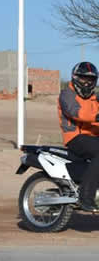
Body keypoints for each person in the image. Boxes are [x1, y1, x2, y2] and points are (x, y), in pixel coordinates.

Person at [58, 61, 99, 212]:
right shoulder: (67, 94)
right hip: (75, 137)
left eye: (91, 80)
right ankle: (85, 196)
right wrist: (97, 116)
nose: (87, 83)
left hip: (93, 137)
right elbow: (75, 112)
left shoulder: (94, 99)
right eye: (83, 78)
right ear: (75, 77)